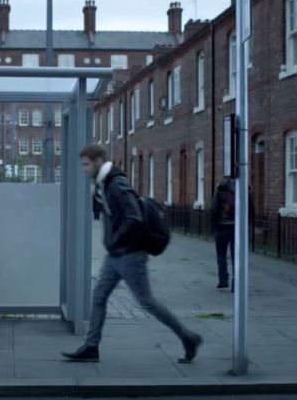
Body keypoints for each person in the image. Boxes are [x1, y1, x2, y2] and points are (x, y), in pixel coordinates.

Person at [62, 145, 203, 363]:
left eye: (86, 164)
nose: (83, 169)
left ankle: (188, 337)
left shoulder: (116, 184)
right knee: (99, 297)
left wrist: (115, 239)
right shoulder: (103, 184)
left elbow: (134, 217)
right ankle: (91, 347)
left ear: (98, 161)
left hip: (130, 255)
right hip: (116, 255)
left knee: (147, 302)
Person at [210, 178, 236, 289]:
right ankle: (237, 281)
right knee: (236, 257)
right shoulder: (237, 195)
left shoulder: (218, 195)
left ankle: (223, 280)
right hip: (235, 229)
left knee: (221, 255)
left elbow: (213, 211)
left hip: (221, 229)